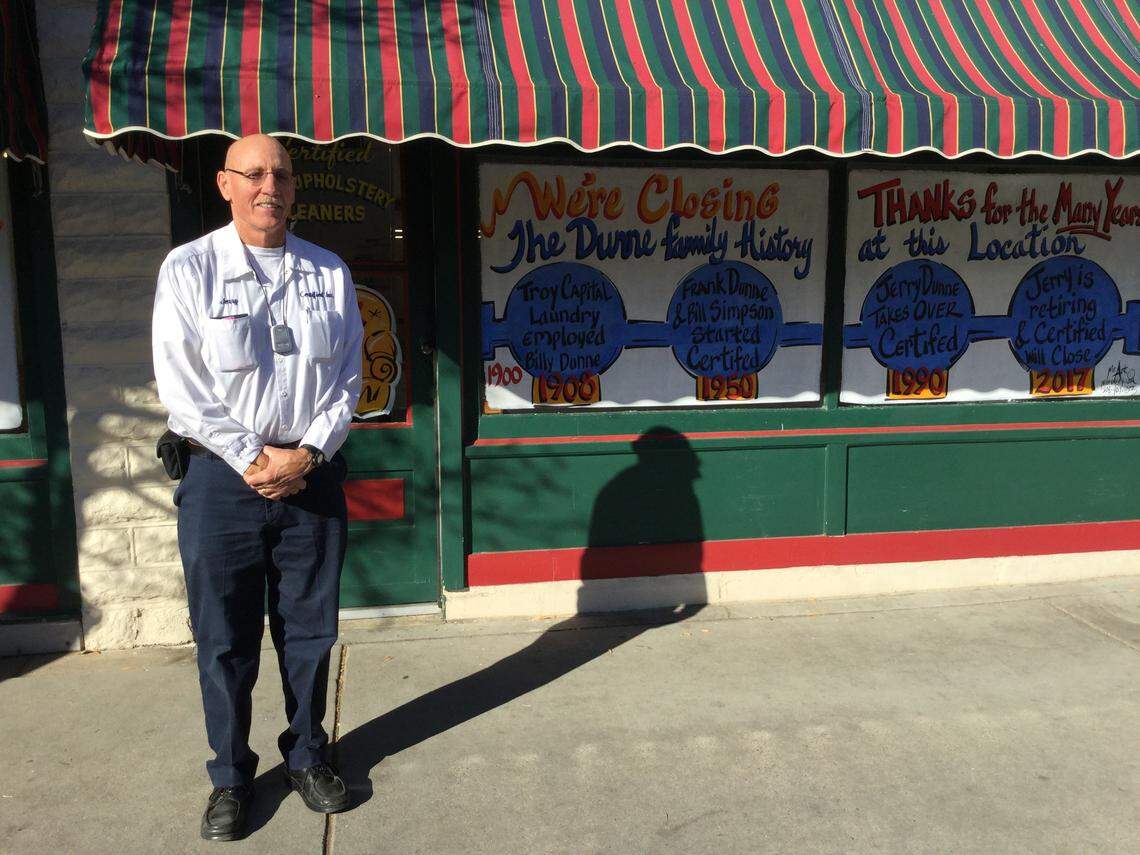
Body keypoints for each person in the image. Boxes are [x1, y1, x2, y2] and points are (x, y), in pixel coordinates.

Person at [152, 134, 364, 841]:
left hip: (310, 476)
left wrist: (305, 454)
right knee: (223, 637)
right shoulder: (189, 270)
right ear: (225, 184)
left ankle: (306, 754)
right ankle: (230, 777)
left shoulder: (328, 273)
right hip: (220, 478)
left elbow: (346, 383)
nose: (268, 185)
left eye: (280, 173)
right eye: (253, 173)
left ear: (294, 186)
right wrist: (254, 458)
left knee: (309, 630)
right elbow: (184, 388)